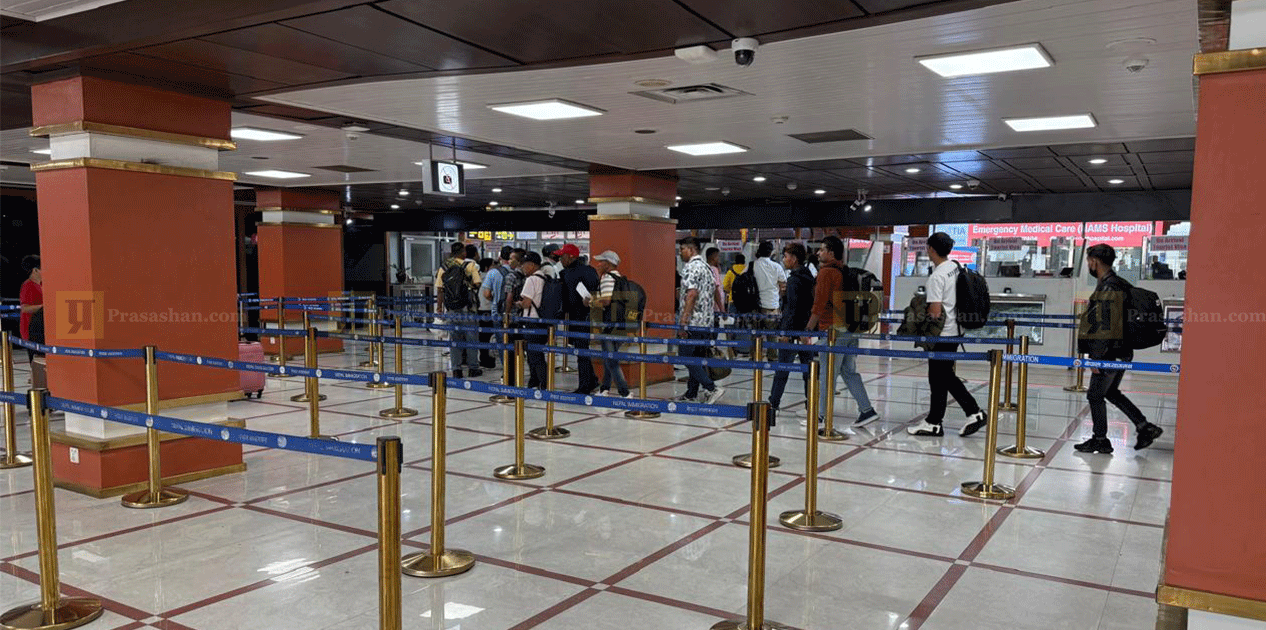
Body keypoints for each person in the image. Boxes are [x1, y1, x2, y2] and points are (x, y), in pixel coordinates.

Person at [1073, 244, 1164, 454]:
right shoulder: (1119, 283)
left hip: (1110, 352)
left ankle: (1100, 439)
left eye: (1088, 261)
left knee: (1095, 395)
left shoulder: (1109, 288)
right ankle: (1144, 426)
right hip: (1120, 350)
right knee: (1110, 392)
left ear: (1094, 261)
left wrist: (1096, 357)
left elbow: (1106, 325)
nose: (1089, 265)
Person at [907, 232, 987, 437]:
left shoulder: (937, 277)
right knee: (941, 376)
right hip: (957, 330)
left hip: (942, 333)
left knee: (940, 376)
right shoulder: (955, 267)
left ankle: (972, 412)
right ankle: (935, 421)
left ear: (931, 249)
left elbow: (935, 312)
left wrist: (919, 311)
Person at [807, 236, 878, 429]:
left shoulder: (826, 273)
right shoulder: (844, 270)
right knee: (848, 371)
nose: (818, 253)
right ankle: (867, 410)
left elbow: (819, 305)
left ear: (831, 253)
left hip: (833, 331)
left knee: (827, 373)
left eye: (822, 249)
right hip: (849, 328)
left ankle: (821, 416)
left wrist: (808, 329)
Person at [674, 237, 725, 404]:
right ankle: (691, 393)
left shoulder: (691, 267)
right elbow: (715, 290)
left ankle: (711, 388)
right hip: (706, 322)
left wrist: (683, 321)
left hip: (693, 322)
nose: (680, 253)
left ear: (691, 249)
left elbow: (692, 294)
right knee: (696, 358)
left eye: (682, 249)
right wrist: (721, 310)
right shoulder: (707, 267)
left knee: (685, 356)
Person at [768, 243, 815, 412]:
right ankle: (811, 403)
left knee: (783, 368)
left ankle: (773, 402)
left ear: (794, 259)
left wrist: (785, 332)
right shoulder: (809, 277)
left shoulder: (794, 279)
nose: (784, 259)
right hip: (806, 329)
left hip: (793, 330)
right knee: (808, 370)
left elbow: (792, 308)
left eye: (786, 256)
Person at [557, 243, 600, 394]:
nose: (560, 260)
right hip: (588, 316)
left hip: (578, 317)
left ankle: (584, 386)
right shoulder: (590, 270)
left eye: (562, 256)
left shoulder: (566, 273)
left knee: (581, 351)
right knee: (582, 350)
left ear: (571, 257)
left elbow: (566, 298)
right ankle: (592, 380)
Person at [591, 250, 632, 398]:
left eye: (601, 261)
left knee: (611, 360)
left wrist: (591, 301)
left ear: (608, 264)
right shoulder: (621, 278)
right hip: (622, 323)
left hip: (610, 323)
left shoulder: (607, 278)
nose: (598, 264)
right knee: (609, 357)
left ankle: (624, 392)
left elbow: (606, 301)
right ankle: (604, 388)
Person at [440, 242, 482, 378]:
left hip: (451, 309)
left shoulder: (444, 267)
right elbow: (477, 283)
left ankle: (456, 370)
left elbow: (440, 289)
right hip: (468, 308)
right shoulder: (469, 266)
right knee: (471, 339)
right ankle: (473, 368)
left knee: (454, 339)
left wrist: (439, 307)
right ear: (463, 252)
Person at [515, 252, 548, 388]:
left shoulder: (531, 280)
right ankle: (535, 381)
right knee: (537, 353)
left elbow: (527, 303)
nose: (522, 268)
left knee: (534, 355)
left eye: (524, 265)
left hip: (532, 321)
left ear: (532, 265)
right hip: (543, 321)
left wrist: (519, 304)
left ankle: (543, 383)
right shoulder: (545, 278)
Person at [480, 247, 514, 368]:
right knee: (516, 342)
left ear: (500, 258)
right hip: (516, 312)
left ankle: (507, 370)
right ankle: (517, 369)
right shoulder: (518, 271)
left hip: (498, 312)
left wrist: (495, 300)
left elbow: (486, 293)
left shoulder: (493, 273)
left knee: (502, 342)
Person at [753, 241, 785, 358]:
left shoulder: (752, 265)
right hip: (772, 305)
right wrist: (779, 296)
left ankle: (756, 357)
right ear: (771, 252)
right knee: (772, 336)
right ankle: (772, 357)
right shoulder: (776, 266)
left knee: (756, 335)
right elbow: (783, 285)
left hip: (756, 307)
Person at [19, 255, 43, 363]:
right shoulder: (28, 286)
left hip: (40, 329)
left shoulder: (41, 285)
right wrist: (43, 307)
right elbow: (25, 308)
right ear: (35, 270)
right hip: (31, 331)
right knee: (36, 361)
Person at [706, 247, 725, 315]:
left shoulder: (706, 268)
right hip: (716, 308)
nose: (719, 258)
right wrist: (722, 309)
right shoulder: (714, 270)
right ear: (713, 257)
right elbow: (715, 289)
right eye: (718, 256)